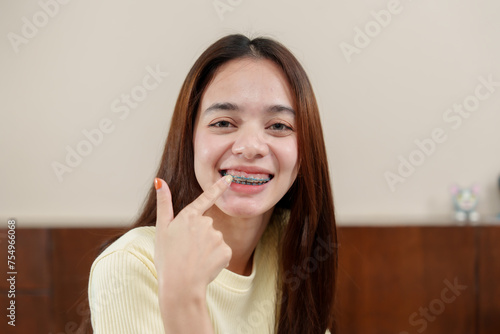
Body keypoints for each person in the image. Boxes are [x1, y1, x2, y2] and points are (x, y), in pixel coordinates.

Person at [88, 33, 338, 334]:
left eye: (278, 126)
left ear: (304, 149)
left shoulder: (292, 243)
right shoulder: (131, 264)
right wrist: (183, 297)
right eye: (223, 123)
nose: (250, 147)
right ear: (189, 140)